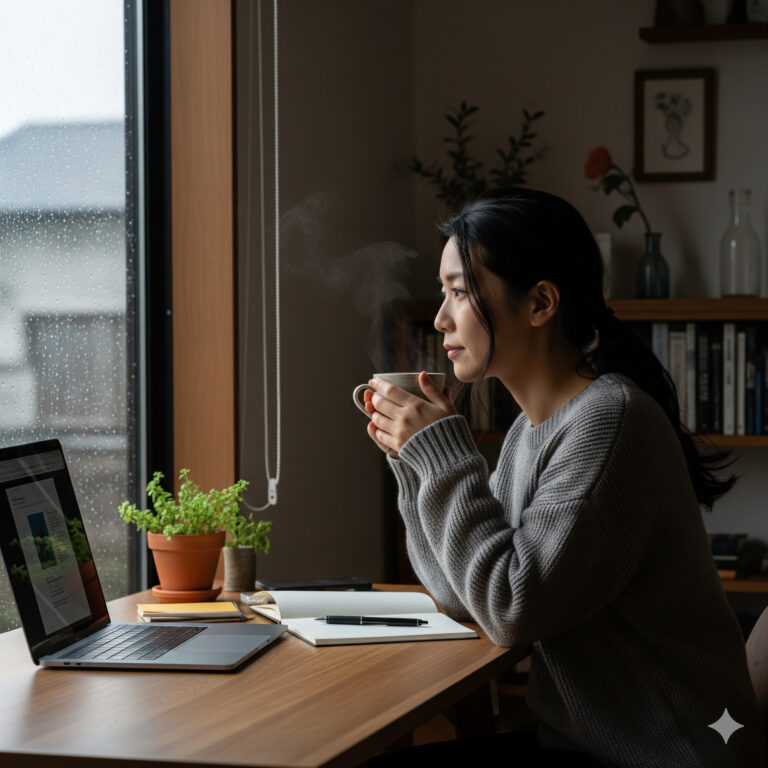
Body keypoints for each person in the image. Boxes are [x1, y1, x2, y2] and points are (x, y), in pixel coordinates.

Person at [361, 188, 765, 767]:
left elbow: (511, 610)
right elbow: (462, 595)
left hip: (668, 754)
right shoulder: (534, 431)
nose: (441, 317)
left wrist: (442, 458)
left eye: (459, 292)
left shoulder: (609, 422)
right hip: (592, 745)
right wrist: (414, 463)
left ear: (540, 303)